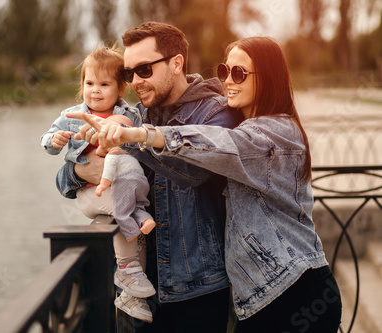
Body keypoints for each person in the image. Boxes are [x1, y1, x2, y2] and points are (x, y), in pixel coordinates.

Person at [68, 36, 343, 332]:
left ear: (269, 78)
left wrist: (140, 136)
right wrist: (81, 166)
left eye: (240, 73)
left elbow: (217, 145)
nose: (228, 81)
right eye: (225, 71)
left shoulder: (275, 133)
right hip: (258, 296)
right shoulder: (235, 120)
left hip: (293, 289)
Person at [57, 22, 242, 332]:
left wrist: (131, 141)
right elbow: (63, 182)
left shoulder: (215, 113)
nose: (135, 82)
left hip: (196, 288)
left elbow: (192, 172)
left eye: (143, 70)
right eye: (129, 74)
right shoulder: (135, 114)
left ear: (177, 63)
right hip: (137, 291)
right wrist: (79, 169)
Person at [40, 43, 154, 322]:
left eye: (104, 84)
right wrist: (53, 142)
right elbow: (47, 141)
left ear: (120, 89)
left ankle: (131, 294)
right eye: (89, 83)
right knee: (123, 212)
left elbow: (135, 140)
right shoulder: (71, 116)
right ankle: (127, 271)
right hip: (93, 193)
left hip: (122, 186)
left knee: (135, 222)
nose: (95, 90)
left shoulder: (130, 115)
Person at [95, 114, 157, 323]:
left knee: (122, 212)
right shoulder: (133, 155)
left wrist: (102, 186)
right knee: (136, 206)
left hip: (123, 184)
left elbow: (106, 175)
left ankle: (131, 236)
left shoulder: (115, 155)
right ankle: (144, 221)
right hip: (140, 185)